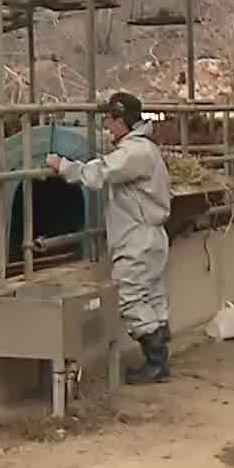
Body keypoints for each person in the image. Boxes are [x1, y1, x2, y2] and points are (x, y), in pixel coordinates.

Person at [45, 92, 173, 384]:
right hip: (149, 234)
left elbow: (101, 173)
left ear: (122, 120)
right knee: (151, 294)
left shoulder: (134, 152)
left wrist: (63, 166)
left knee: (130, 298)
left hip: (136, 236)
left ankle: (156, 362)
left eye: (110, 119)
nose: (106, 125)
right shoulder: (144, 149)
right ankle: (159, 356)